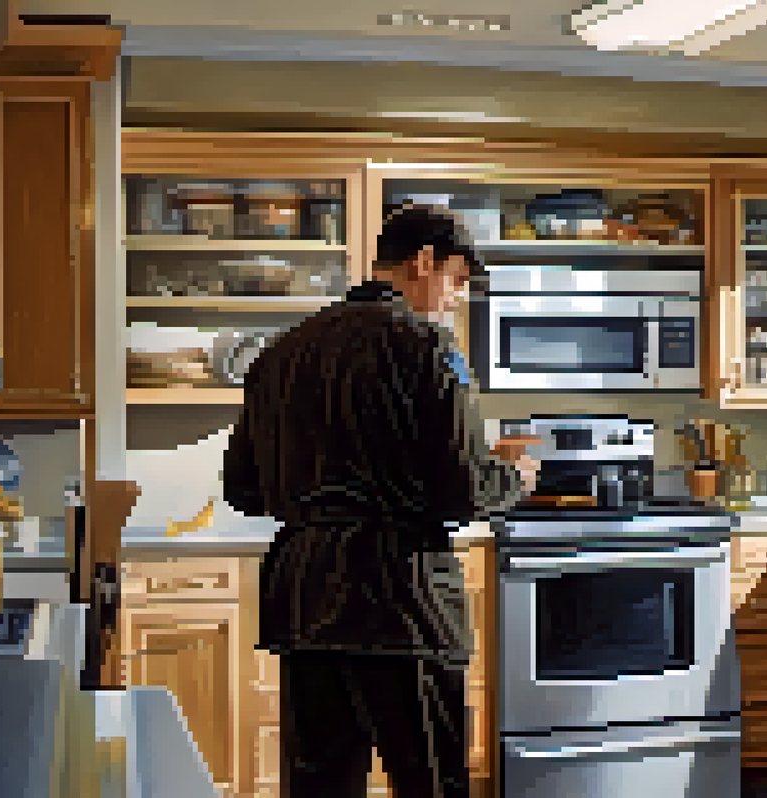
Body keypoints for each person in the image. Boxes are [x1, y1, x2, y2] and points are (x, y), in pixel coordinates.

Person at [222, 204, 539, 798]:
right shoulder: (426, 348)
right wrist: (514, 475)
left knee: (319, 787)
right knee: (431, 783)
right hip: (401, 601)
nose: (455, 299)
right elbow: (464, 490)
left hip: (307, 601)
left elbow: (244, 490)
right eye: (458, 281)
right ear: (425, 262)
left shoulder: (280, 354)